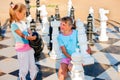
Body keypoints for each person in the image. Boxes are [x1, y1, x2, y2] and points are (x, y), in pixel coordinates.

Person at [9, 3, 38, 80]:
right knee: (24, 69)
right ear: (18, 13)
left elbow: (28, 30)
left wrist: (31, 33)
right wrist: (29, 37)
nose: (25, 15)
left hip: (29, 48)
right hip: (22, 49)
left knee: (33, 67)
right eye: (24, 13)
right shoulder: (14, 25)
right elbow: (21, 34)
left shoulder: (23, 23)